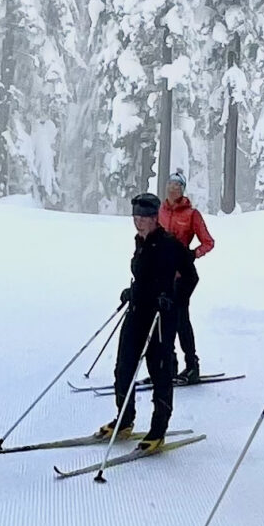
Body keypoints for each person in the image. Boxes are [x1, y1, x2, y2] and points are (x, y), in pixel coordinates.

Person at [104, 193, 194, 447]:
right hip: (137, 313)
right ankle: (124, 419)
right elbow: (146, 278)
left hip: (160, 319)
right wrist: (132, 291)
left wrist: (174, 298)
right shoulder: (140, 241)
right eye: (135, 216)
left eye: (144, 217)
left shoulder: (170, 244)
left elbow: (190, 277)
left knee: (160, 372)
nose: (139, 222)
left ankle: (158, 429)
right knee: (124, 368)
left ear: (155, 218)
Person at [157, 169, 214, 381]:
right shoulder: (160, 211)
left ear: (182, 190)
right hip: (163, 275)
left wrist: (192, 254)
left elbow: (208, 242)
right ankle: (168, 367)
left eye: (178, 185)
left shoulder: (191, 214)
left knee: (180, 319)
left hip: (185, 276)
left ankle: (192, 366)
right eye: (170, 184)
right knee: (162, 319)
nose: (173, 188)